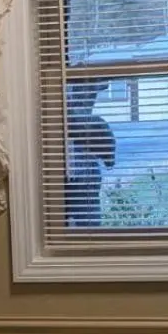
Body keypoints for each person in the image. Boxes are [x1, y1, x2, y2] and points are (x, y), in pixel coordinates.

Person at [65, 79, 117, 227]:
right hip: (81, 186)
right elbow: (109, 159)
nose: (94, 98)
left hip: (87, 185)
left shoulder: (88, 120)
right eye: (92, 92)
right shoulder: (90, 121)